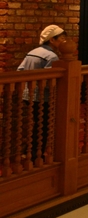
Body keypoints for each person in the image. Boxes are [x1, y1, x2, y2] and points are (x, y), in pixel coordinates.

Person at [17, 25, 68, 163]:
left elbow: (20, 70)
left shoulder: (32, 52)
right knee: (42, 126)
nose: (64, 42)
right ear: (52, 39)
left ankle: (29, 152)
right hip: (42, 97)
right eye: (62, 38)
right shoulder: (52, 56)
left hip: (27, 95)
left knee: (36, 124)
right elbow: (48, 81)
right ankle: (36, 154)